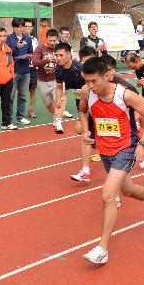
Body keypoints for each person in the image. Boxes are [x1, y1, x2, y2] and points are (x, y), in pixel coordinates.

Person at [81, 57, 144, 265]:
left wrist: (142, 143)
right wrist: (85, 130)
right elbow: (83, 111)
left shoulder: (124, 94)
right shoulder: (87, 93)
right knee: (127, 190)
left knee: (108, 195)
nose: (90, 86)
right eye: (87, 81)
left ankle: (102, 249)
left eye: (94, 81)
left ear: (107, 76)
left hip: (126, 148)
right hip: (105, 149)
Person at [56, 44, 97, 182]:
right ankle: (86, 171)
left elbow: (93, 84)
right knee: (81, 131)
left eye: (61, 55)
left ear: (69, 54)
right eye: (56, 55)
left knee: (85, 132)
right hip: (83, 106)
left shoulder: (80, 68)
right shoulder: (59, 70)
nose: (58, 58)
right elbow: (58, 86)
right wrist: (59, 99)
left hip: (96, 104)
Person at [33, 29, 63, 133]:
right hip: (43, 81)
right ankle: (56, 116)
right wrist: (47, 60)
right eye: (50, 40)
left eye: (54, 41)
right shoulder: (40, 48)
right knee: (49, 104)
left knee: (58, 101)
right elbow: (35, 63)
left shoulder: (60, 48)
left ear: (57, 39)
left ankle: (59, 122)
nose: (52, 43)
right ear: (46, 38)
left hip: (56, 80)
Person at [6, 18, 34, 125]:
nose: (19, 29)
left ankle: (20, 117)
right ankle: (9, 118)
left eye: (21, 26)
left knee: (22, 96)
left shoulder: (28, 38)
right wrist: (17, 48)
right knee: (11, 96)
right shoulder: (9, 38)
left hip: (26, 70)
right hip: (14, 71)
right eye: (17, 27)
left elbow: (31, 52)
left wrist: (29, 56)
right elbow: (7, 55)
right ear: (13, 27)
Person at [24, 19, 39, 119]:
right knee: (21, 91)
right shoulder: (20, 39)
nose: (29, 28)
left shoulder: (34, 39)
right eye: (27, 26)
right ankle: (19, 112)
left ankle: (31, 109)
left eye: (30, 27)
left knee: (32, 89)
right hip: (22, 68)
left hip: (33, 68)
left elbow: (37, 53)